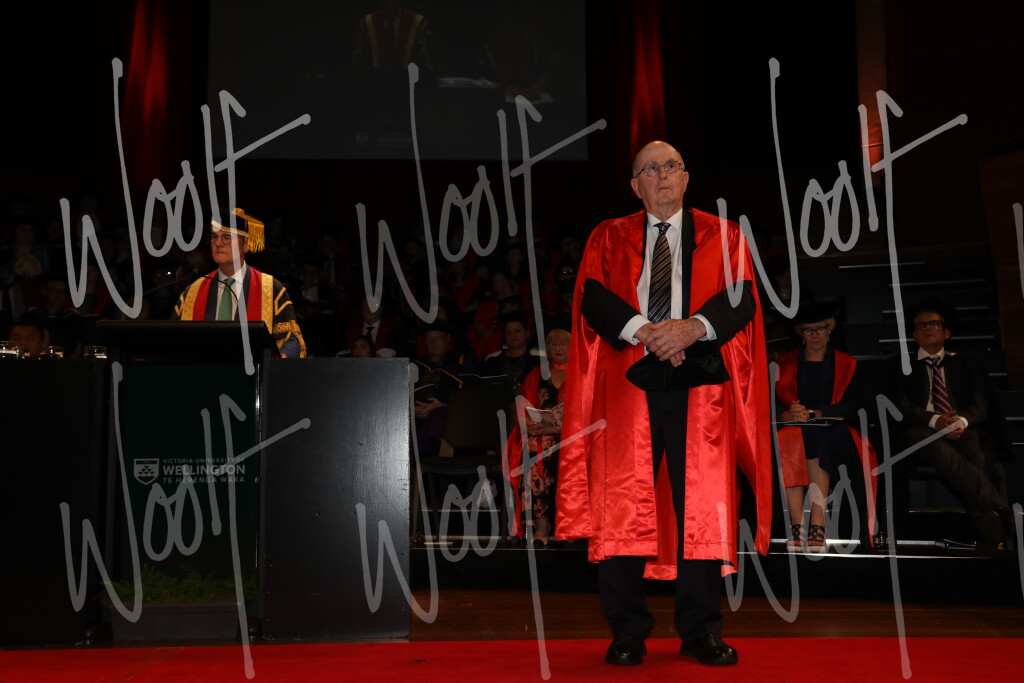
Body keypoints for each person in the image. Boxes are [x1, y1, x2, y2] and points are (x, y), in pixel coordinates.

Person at [556, 141, 771, 667]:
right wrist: (646, 330)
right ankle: (627, 629)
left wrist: (691, 328)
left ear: (686, 177)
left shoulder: (725, 234)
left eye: (671, 166)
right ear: (636, 186)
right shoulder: (608, 235)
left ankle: (700, 629)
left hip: (702, 387)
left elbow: (742, 296)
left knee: (702, 504)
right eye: (650, 170)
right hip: (628, 383)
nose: (662, 175)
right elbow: (592, 296)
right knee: (622, 502)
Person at [895, 298, 1011, 551]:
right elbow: (901, 406)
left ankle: (993, 533)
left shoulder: (967, 364)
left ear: (947, 332)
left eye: (934, 323)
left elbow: (981, 404)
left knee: (977, 451)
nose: (928, 328)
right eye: (921, 325)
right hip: (917, 433)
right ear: (914, 335)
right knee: (931, 440)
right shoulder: (901, 367)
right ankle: (999, 506)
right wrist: (935, 421)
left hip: (960, 429)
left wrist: (961, 420)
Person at [774, 302, 877, 553]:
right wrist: (786, 414)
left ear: (830, 329)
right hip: (795, 428)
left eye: (821, 329)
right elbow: (768, 405)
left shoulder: (847, 364)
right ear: (800, 332)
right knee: (788, 438)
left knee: (816, 435)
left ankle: (817, 522)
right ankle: (797, 526)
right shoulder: (783, 364)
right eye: (808, 330)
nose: (815, 335)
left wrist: (816, 414)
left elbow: (854, 407)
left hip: (836, 429)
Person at [173, 208, 305, 358]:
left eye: (227, 237)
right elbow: (173, 340)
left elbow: (290, 340)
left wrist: (278, 359)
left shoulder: (271, 289)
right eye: (214, 237)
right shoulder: (192, 292)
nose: (218, 243)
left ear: (246, 245)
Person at [506, 328, 570, 547]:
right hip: (540, 435)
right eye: (553, 344)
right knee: (532, 452)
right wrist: (529, 424)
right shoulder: (537, 374)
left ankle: (567, 525)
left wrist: (562, 427)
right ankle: (542, 526)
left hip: (573, 436)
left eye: (563, 344)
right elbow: (522, 409)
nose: (557, 348)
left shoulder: (581, 373)